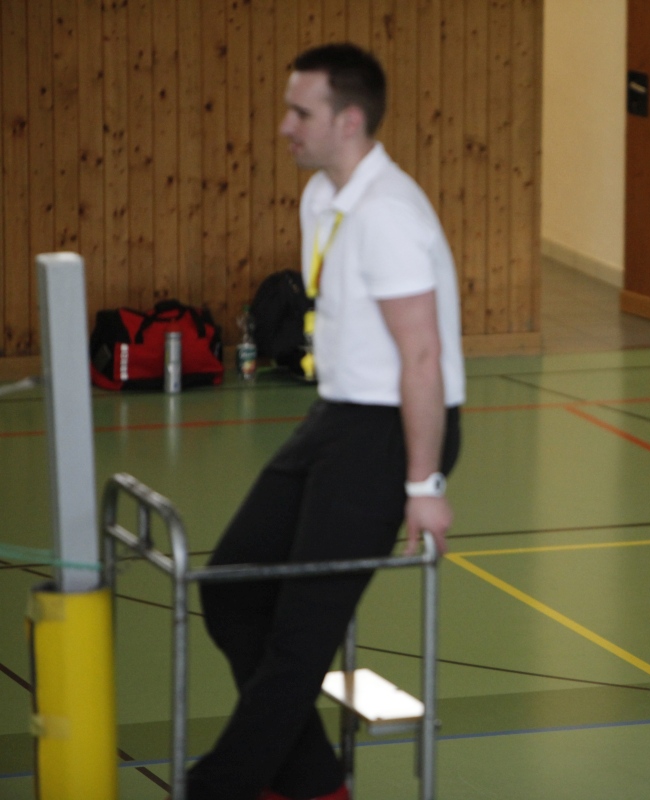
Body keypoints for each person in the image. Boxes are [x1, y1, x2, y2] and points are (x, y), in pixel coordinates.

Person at [185, 43, 465, 800]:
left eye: (299, 112)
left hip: (397, 430)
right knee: (232, 589)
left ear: (348, 120)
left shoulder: (388, 215)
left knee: (302, 633)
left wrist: (424, 484)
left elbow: (423, 356)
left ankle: (219, 788)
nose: (285, 126)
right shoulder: (322, 198)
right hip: (340, 415)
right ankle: (312, 782)